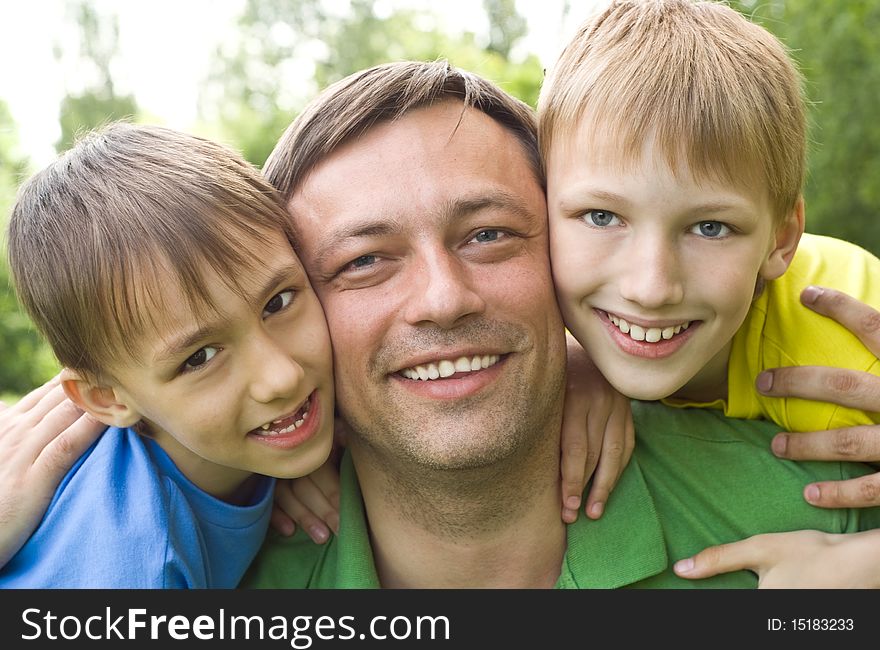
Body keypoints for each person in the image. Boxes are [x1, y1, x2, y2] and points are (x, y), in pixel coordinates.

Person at [4, 60, 880, 587]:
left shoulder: (822, 532)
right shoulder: (206, 581)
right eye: (363, 262)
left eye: (491, 234)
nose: (443, 298)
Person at [0, 123, 336, 587]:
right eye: (200, 357)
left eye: (277, 303)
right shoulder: (136, 570)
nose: (280, 378)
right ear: (106, 399)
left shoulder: (219, 440)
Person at [540, 0, 880, 430]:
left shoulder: (848, 362)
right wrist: (573, 364)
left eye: (709, 228)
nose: (651, 289)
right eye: (601, 217)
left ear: (781, 241)